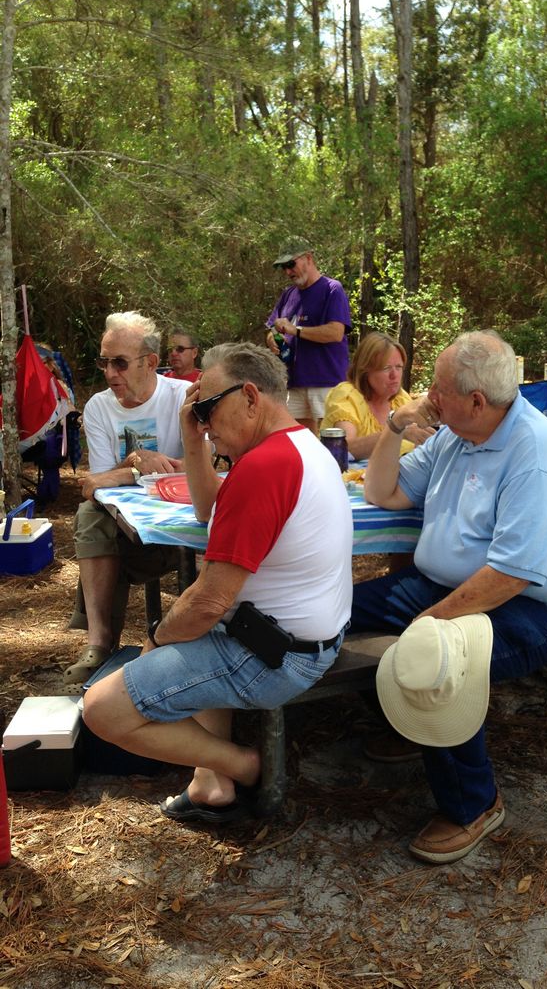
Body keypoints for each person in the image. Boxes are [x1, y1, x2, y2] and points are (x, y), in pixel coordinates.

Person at [348, 330, 547, 864]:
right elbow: (382, 491)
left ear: (476, 400)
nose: (426, 396)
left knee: (439, 662)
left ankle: (474, 805)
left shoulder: (535, 455)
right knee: (338, 612)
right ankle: (409, 725)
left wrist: (426, 627)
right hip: (448, 588)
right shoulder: (456, 433)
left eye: (436, 389)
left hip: (541, 610)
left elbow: (512, 576)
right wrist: (395, 425)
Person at [83, 342, 353, 825]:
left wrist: (155, 639)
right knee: (197, 630)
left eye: (206, 407)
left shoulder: (264, 468)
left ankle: (246, 766)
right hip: (303, 640)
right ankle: (210, 783)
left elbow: (207, 602)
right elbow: (209, 512)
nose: (202, 421)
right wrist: (192, 439)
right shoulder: (299, 446)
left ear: (250, 397)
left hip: (275, 657)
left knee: (101, 709)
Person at [61, 311, 187, 694]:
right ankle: (99, 645)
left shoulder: (180, 397)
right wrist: (138, 462)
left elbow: (199, 470)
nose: (110, 372)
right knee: (92, 515)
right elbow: (100, 490)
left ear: (150, 362)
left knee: (94, 523)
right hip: (124, 528)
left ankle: (171, 650)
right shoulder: (99, 407)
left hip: (181, 529)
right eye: (104, 361)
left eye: (120, 362)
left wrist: (125, 472)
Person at [265, 237, 351, 433]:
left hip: (326, 381)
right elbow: (272, 328)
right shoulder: (288, 294)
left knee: (330, 440)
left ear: (308, 258)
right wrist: (271, 339)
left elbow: (336, 332)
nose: (287, 272)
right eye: (283, 267)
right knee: (297, 440)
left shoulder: (331, 289)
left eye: (291, 264)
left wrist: (295, 331)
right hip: (294, 382)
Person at [322, 332, 437, 459]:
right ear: (365, 370)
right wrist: (397, 432)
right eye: (386, 368)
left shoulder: (400, 399)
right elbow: (344, 448)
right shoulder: (347, 395)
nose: (394, 375)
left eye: (398, 367)